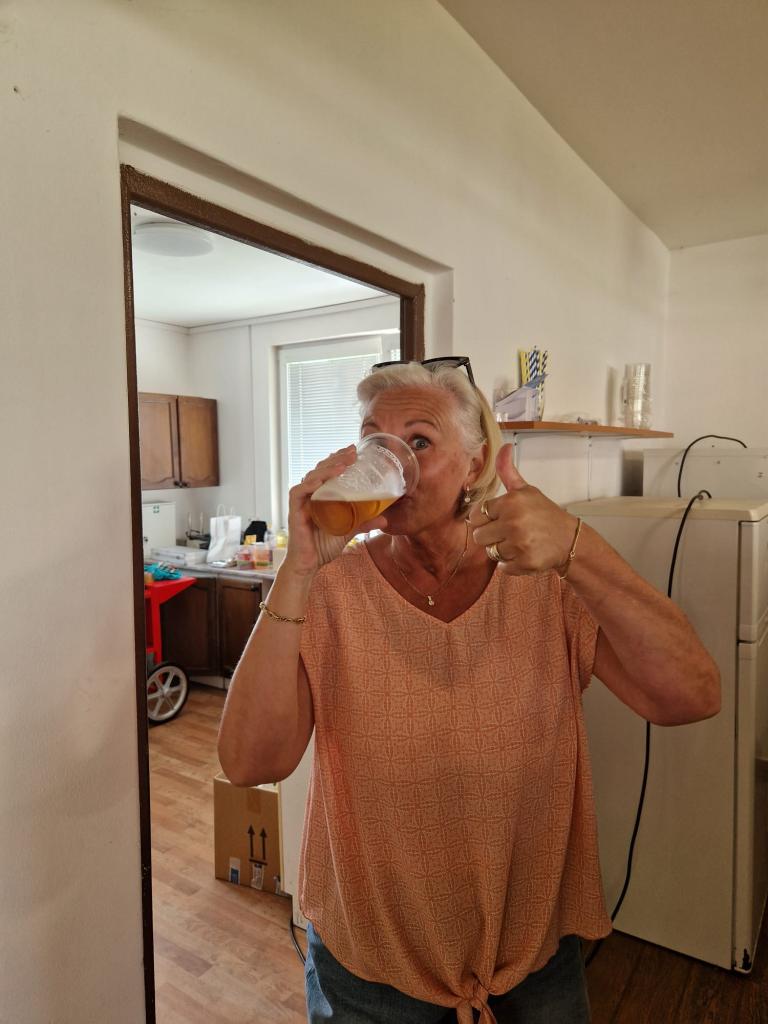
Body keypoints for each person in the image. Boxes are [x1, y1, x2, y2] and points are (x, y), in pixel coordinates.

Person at [218, 358, 720, 1024]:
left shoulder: (543, 579)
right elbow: (249, 763)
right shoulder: (331, 589)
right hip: (370, 966)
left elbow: (691, 695)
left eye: (419, 441)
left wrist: (579, 546)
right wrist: (297, 569)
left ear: (477, 460)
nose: (390, 462)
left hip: (530, 956)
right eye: (373, 443)